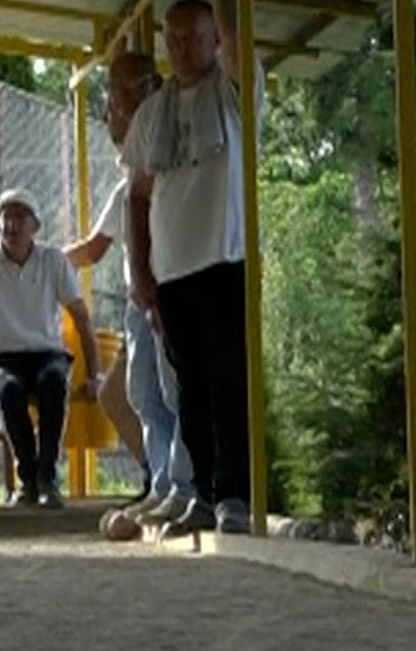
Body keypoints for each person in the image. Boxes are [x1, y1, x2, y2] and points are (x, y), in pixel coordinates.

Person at [120, 0, 259, 534]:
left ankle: (235, 495)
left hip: (224, 260)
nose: (178, 49)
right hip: (173, 271)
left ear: (214, 40)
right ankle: (201, 491)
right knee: (189, 390)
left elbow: (240, 48)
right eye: (171, 39)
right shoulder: (153, 113)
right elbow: (137, 194)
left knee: (229, 382)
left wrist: (224, 12)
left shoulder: (231, 93)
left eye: (191, 38)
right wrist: (140, 270)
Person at [65, 47, 197, 525]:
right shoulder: (128, 185)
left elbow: (94, 249)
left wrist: (49, 259)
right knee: (143, 392)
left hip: (167, 289)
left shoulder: (161, 165)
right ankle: (163, 482)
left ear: (152, 91)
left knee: (169, 390)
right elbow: (99, 246)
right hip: (137, 300)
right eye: (110, 95)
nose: (111, 109)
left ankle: (184, 487)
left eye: (124, 93)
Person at [0, 187, 102, 508]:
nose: (12, 224)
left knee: (53, 382)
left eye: (20, 216)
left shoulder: (53, 260)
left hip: (46, 353)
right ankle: (28, 479)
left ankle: (47, 477)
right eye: (6, 216)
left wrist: (94, 375)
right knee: (11, 391)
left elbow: (82, 318)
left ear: (36, 226)